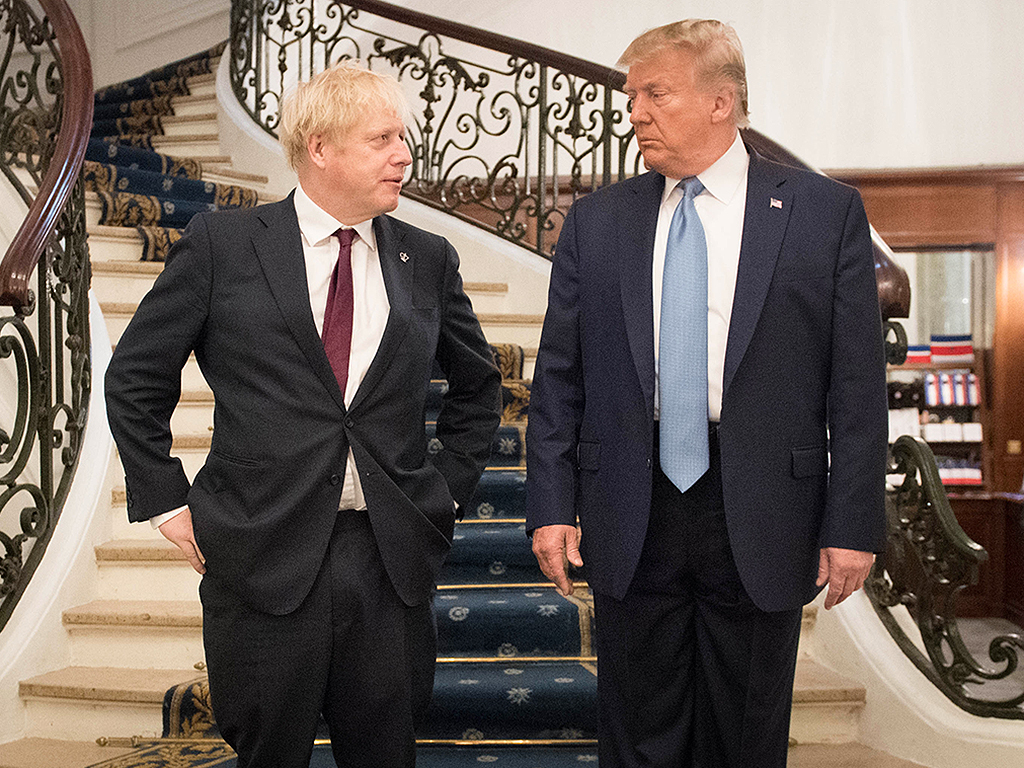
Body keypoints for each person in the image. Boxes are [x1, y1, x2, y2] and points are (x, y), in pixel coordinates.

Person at [105, 61, 502, 768]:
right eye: (382, 138)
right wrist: (164, 502)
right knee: (268, 754)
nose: (403, 154)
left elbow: (478, 386)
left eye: (402, 137)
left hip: (387, 560)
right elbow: (137, 376)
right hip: (260, 553)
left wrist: (444, 488)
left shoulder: (427, 257)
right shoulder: (222, 245)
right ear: (319, 147)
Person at [525, 19, 887, 768]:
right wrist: (552, 506)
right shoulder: (599, 220)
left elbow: (857, 387)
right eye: (632, 97)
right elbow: (559, 376)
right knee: (636, 731)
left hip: (762, 507)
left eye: (655, 93)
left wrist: (853, 521)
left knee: (745, 734)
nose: (635, 113)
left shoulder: (824, 213)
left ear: (721, 102)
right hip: (630, 499)